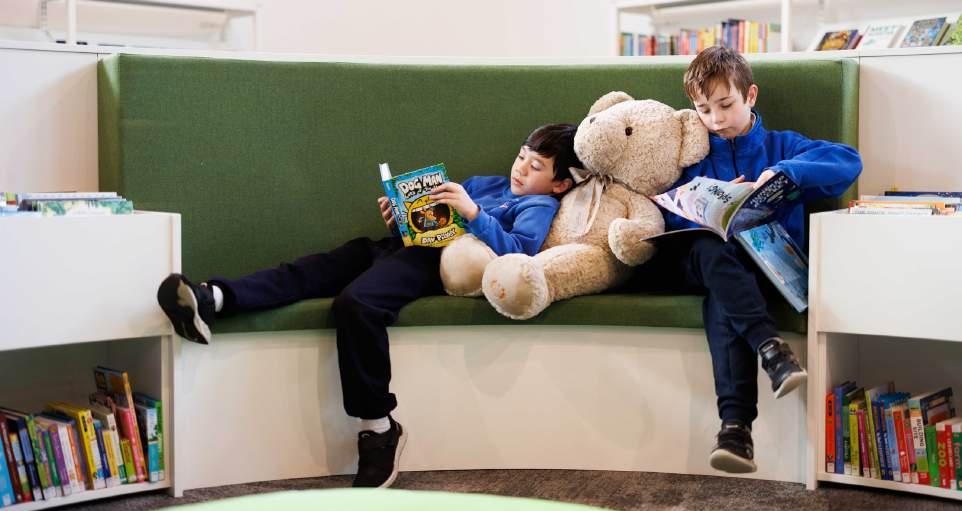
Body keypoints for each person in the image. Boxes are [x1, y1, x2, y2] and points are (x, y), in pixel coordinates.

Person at [155, 123, 582, 488]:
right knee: (313, 270)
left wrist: (472, 213)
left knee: (357, 304)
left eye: (536, 166)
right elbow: (430, 223)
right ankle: (214, 298)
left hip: (432, 265)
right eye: (521, 157)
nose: (520, 168)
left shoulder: (539, 204)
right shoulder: (484, 183)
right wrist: (401, 217)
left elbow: (518, 251)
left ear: (561, 184)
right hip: (400, 249)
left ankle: (378, 429)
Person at [631, 46, 862, 474]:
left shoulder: (781, 146)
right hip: (700, 260)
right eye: (703, 110)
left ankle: (735, 430)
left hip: (762, 268)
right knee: (712, 251)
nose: (716, 119)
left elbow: (848, 161)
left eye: (725, 105)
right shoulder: (695, 158)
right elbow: (666, 213)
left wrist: (785, 172)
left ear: (750, 96)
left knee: (725, 290)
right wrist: (698, 202)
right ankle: (771, 350)